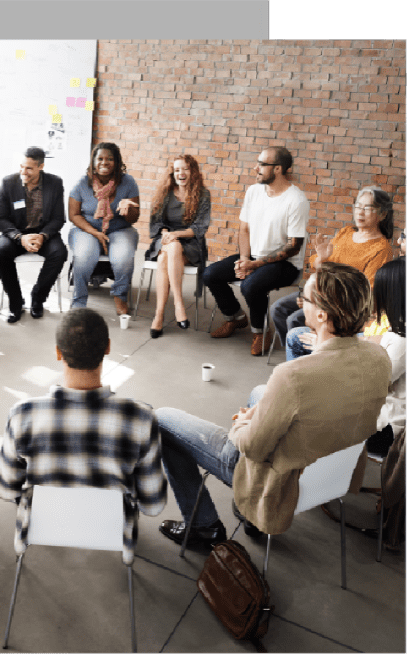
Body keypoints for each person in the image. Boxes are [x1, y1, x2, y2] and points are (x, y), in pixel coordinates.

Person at [157, 262, 391, 548]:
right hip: (332, 473)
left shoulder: (292, 375)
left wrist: (243, 422)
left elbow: (253, 447)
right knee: (260, 392)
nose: (298, 302)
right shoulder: (379, 357)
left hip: (281, 480)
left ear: (321, 314)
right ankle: (251, 518)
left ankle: (203, 526)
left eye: (303, 298)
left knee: (162, 419)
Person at [0, 308, 167, 564]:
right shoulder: (140, 418)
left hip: (42, 527)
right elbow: (153, 505)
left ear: (57, 352)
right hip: (113, 532)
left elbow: (7, 489)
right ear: (108, 348)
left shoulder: (23, 414)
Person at [203, 147, 309, 355]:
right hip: (253, 256)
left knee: (250, 286)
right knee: (210, 274)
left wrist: (256, 265)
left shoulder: (296, 200)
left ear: (278, 169)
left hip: (286, 264)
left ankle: (260, 333)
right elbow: (244, 229)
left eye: (261, 164)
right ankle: (236, 317)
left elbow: (293, 246)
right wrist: (244, 260)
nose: (255, 168)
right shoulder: (254, 191)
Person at [271, 186, 394, 349]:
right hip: (320, 290)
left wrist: (318, 302)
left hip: (341, 306)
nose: (360, 212)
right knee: (278, 309)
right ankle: (297, 351)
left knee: (295, 319)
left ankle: (314, 357)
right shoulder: (346, 233)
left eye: (367, 208)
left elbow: (365, 292)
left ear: (382, 214)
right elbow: (319, 265)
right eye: (357, 206)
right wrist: (321, 258)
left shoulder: (381, 248)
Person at [0, 147, 68, 323]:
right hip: (17, 234)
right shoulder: (8, 183)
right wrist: (20, 237)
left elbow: (58, 218)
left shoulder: (54, 183)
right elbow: (0, 219)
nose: (23, 172)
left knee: (60, 253)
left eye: (28, 168)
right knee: (0, 252)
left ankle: (38, 298)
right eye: (21, 166)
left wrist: (42, 236)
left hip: (43, 232)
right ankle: (16, 302)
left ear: (41, 166)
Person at [68, 142, 140, 314]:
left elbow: (134, 218)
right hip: (87, 229)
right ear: (93, 161)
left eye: (109, 159)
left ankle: (120, 296)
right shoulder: (82, 183)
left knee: (123, 257)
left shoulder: (128, 182)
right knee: (84, 255)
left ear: (116, 162)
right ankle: (79, 301)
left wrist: (129, 208)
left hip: (119, 229)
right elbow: (74, 215)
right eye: (100, 158)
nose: (104, 162)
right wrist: (95, 233)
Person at [146, 155, 211, 337]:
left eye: (185, 169)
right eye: (177, 170)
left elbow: (199, 227)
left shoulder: (203, 195)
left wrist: (176, 234)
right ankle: (177, 305)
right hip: (166, 238)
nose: (181, 173)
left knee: (165, 256)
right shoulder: (165, 192)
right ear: (172, 173)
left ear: (193, 172)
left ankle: (159, 315)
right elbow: (156, 221)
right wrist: (167, 233)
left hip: (190, 242)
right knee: (171, 248)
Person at [364, 258, 405, 456]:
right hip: (381, 414)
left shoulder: (402, 341)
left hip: (388, 428)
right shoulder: (397, 329)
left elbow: (372, 384)